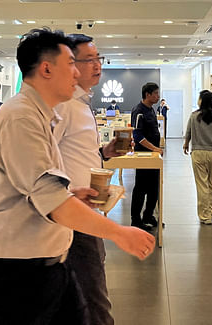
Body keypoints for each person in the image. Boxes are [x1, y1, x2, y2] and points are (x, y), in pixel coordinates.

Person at [0, 29, 156, 325]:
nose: (78, 72)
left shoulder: (43, 114)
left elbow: (40, 183)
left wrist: (71, 194)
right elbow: (50, 198)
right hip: (14, 271)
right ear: (46, 68)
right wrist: (120, 233)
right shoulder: (21, 119)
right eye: (72, 63)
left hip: (46, 261)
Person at [53, 33, 120, 325]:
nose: (97, 65)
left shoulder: (81, 103)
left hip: (86, 208)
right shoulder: (63, 105)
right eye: (89, 60)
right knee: (94, 298)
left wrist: (104, 152)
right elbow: (45, 159)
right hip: (73, 211)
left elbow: (75, 151)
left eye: (98, 59)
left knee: (85, 292)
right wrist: (64, 197)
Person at [183, 90, 212, 225]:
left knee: (202, 185)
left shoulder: (194, 116)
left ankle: (205, 216)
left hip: (198, 153)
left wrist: (185, 144)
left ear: (201, 101)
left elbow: (188, 132)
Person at [130, 82, 164, 231]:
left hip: (154, 156)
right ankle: (136, 219)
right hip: (144, 155)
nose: (158, 96)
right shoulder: (138, 111)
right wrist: (154, 148)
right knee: (141, 188)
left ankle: (148, 215)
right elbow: (137, 135)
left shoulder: (152, 110)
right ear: (148, 94)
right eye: (155, 93)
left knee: (154, 187)